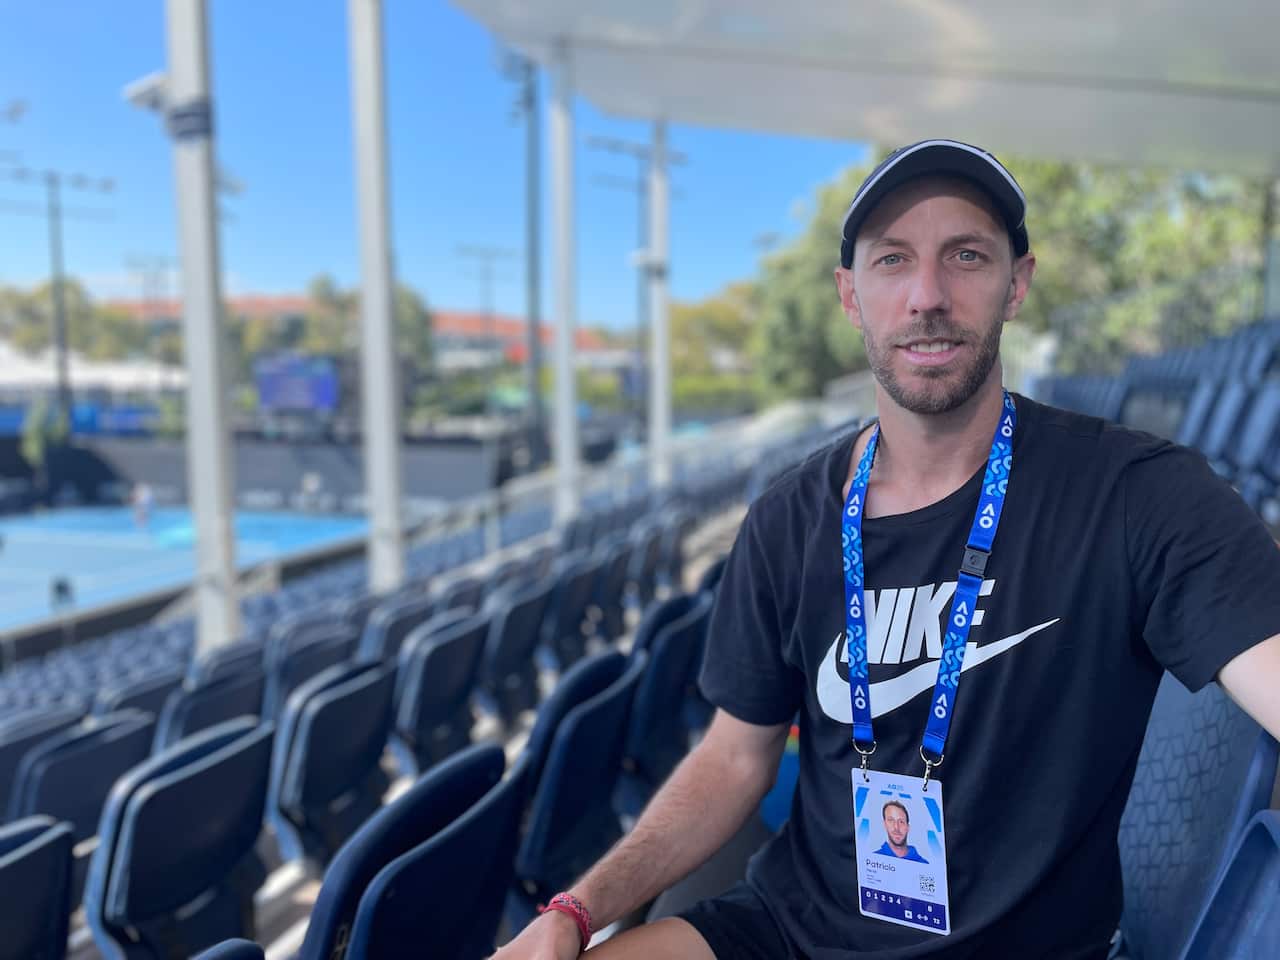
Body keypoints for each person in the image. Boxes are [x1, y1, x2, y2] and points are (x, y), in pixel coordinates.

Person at [492, 139, 1280, 960]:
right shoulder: (788, 518)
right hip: (788, 930)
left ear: (1017, 284)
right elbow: (733, 759)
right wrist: (575, 913)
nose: (927, 296)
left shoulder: (1137, 495)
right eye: (892, 260)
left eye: (966, 256)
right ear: (850, 295)